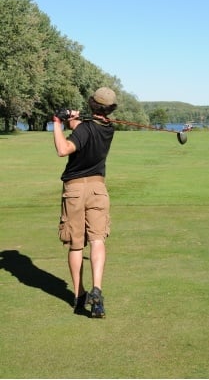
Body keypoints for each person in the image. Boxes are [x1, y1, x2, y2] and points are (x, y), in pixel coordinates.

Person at [53, 87, 117, 318]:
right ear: (110, 108)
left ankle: (80, 295)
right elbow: (86, 131)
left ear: (92, 104)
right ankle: (97, 290)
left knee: (76, 244)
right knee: (97, 239)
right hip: (99, 189)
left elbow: (63, 149)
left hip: (75, 190)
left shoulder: (86, 128)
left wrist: (58, 123)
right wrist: (75, 122)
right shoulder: (109, 128)